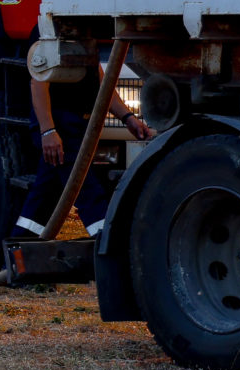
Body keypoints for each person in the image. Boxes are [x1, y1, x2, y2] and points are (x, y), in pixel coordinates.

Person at [23, 54, 152, 239]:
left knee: (43, 199)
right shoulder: (48, 31)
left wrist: (128, 118)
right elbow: (38, 83)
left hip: (75, 125)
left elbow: (102, 83)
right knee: (88, 192)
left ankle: (18, 254)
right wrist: (48, 131)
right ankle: (108, 247)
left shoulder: (83, 38)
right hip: (60, 126)